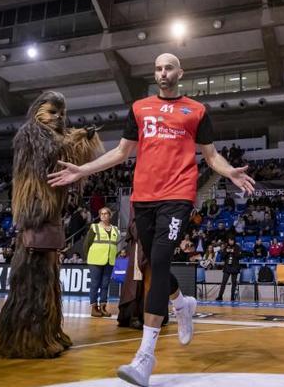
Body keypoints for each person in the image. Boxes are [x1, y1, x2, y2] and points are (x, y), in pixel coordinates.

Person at [48, 53, 255, 387]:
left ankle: (145, 356)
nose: (162, 72)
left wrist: (229, 171)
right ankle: (181, 302)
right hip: (143, 198)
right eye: (157, 67)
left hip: (177, 197)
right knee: (150, 267)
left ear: (180, 73)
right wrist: (82, 170)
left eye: (168, 67)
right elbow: (121, 152)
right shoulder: (139, 108)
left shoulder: (197, 111)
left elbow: (211, 155)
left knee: (159, 261)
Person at [0, 91, 103, 359]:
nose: (57, 118)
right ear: (38, 111)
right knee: (35, 282)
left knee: (49, 283)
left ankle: (48, 333)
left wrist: (82, 140)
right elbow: (54, 152)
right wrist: (77, 137)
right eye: (53, 112)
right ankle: (27, 341)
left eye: (61, 114)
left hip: (49, 216)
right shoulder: (30, 133)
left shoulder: (51, 135)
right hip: (36, 214)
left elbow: (67, 160)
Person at [85, 206, 120, 318]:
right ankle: (94, 308)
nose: (104, 215)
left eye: (106, 214)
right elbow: (86, 244)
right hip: (95, 260)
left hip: (109, 260)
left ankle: (103, 307)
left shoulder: (115, 229)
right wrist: (89, 257)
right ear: (100, 216)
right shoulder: (94, 227)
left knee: (105, 285)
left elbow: (116, 245)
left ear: (110, 215)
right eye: (102, 214)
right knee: (95, 284)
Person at [217, 235, 241, 301]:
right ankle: (220, 296)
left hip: (235, 267)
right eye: (229, 240)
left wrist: (233, 252)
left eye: (231, 240)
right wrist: (226, 252)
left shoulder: (237, 247)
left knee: (234, 283)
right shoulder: (226, 247)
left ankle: (232, 297)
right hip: (227, 267)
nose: (230, 242)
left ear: (234, 240)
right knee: (223, 282)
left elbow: (239, 256)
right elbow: (222, 256)